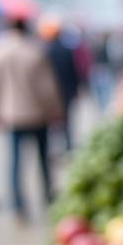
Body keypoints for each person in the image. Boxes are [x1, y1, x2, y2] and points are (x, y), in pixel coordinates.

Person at [0, 18, 62, 220]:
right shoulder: (35, 51)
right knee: (42, 159)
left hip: (10, 115)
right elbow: (47, 88)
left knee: (15, 162)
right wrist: (55, 109)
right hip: (37, 115)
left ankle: (17, 204)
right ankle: (48, 196)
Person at [46, 23, 79, 151]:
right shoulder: (67, 50)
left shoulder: (45, 50)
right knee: (67, 121)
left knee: (51, 123)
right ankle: (68, 145)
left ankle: (53, 147)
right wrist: (75, 89)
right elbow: (73, 72)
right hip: (66, 90)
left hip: (51, 93)